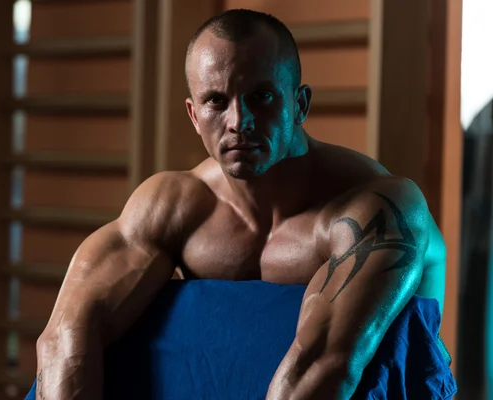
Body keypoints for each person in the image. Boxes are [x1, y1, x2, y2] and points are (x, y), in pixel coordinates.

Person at [35, 9, 447, 400]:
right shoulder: (175, 205)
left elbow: (325, 366)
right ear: (194, 116)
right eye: (216, 101)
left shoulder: (376, 208)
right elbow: (65, 336)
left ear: (300, 104)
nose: (238, 121)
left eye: (262, 96)